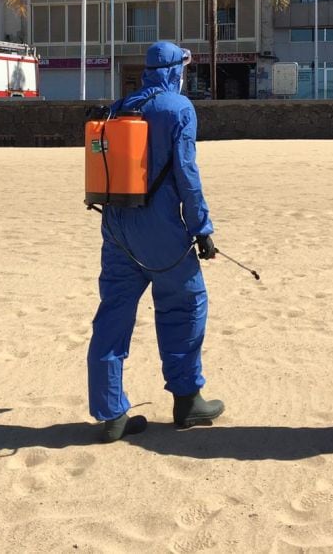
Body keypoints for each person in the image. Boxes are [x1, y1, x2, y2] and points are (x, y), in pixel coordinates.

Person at [87, 40, 224, 443]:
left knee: (112, 315)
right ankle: (187, 400)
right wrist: (202, 229)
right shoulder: (178, 109)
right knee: (185, 303)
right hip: (160, 229)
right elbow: (187, 175)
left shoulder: (120, 106)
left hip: (116, 226)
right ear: (174, 71)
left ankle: (110, 414)